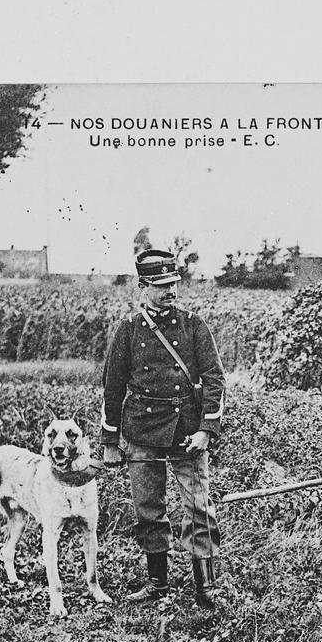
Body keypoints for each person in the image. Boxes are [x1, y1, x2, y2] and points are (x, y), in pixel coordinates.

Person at [100, 249, 226, 609]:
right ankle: (158, 583)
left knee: (198, 507)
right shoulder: (127, 331)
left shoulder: (193, 324)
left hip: (187, 430)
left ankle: (207, 587)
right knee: (148, 508)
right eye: (161, 285)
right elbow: (113, 386)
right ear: (143, 288)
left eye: (173, 283)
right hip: (141, 430)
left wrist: (206, 430)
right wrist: (110, 440)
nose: (170, 290)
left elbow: (215, 379)